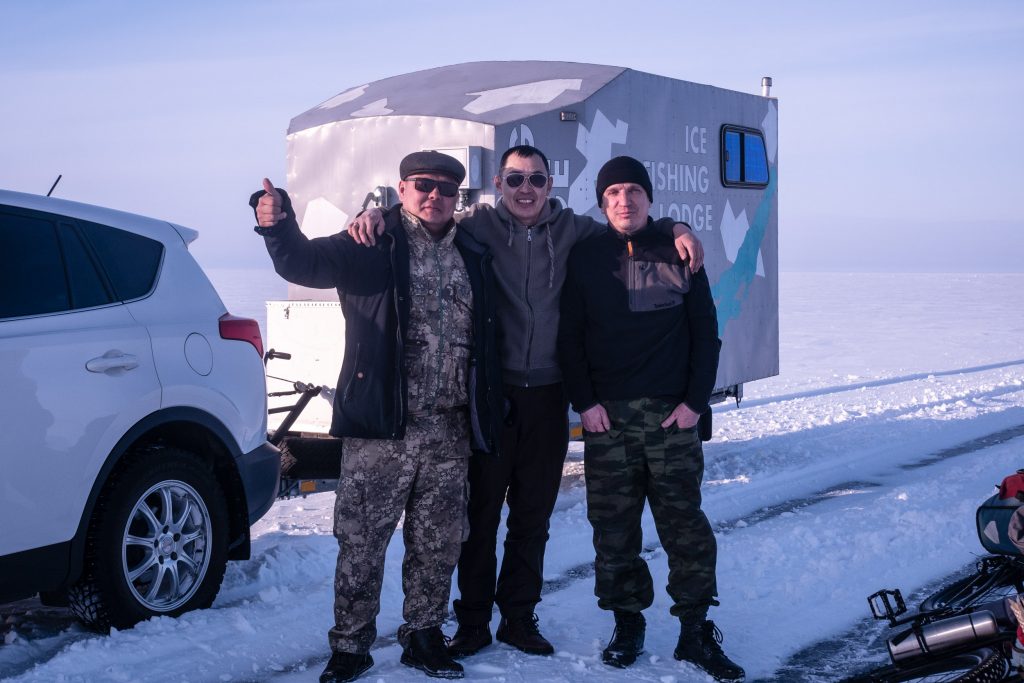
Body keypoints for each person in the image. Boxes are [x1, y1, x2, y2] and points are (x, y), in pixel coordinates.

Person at [349, 145, 704, 658]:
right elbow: (424, 211)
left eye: (537, 179)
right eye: (515, 179)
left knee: (532, 517)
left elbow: (631, 220)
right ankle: (472, 622)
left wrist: (676, 227)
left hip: (550, 396)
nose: (526, 189)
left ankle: (518, 616)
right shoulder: (476, 224)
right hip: (495, 396)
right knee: (481, 515)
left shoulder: (577, 231)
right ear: (499, 182)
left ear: (550, 184)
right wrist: (377, 214)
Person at [249, 151, 504, 683]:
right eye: (422, 186)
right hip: (382, 425)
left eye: (445, 189)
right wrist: (277, 225)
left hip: (449, 427)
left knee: (437, 542)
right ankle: (350, 646)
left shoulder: (473, 253)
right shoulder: (372, 241)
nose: (434, 196)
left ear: (458, 197)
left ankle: (423, 634)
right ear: (401, 188)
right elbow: (304, 264)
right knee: (363, 541)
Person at [557, 156, 744, 681]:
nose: (624, 199)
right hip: (607, 420)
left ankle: (694, 630)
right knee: (613, 529)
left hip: (671, 418)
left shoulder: (679, 251)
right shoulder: (585, 256)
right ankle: (627, 621)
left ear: (650, 199)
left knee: (685, 526)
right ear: (601, 202)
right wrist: (585, 402)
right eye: (613, 191)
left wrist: (694, 403)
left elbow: (705, 335)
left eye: (634, 190)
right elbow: (570, 337)